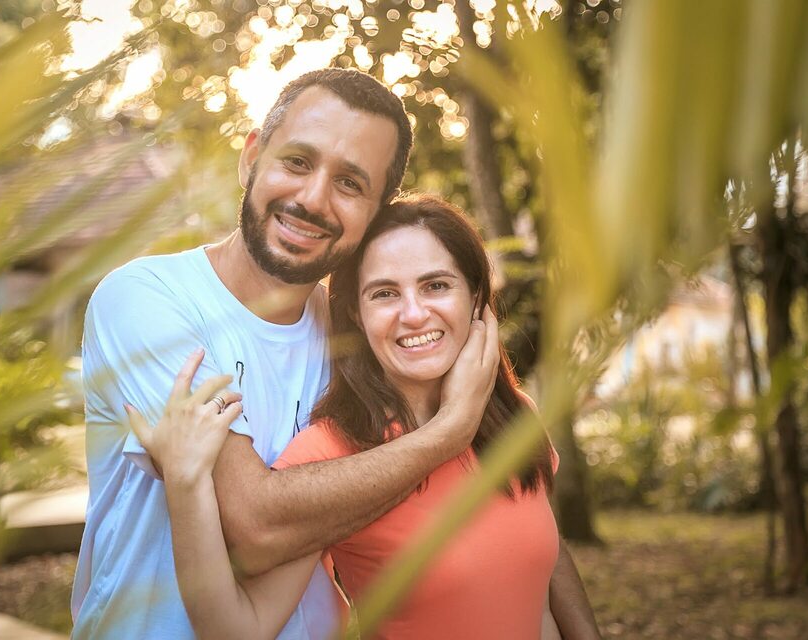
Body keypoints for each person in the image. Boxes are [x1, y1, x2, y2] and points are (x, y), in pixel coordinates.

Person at [71, 68, 509, 640]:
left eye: (349, 183)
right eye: (297, 162)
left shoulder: (358, 336)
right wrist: (449, 430)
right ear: (251, 157)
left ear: (374, 215)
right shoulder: (147, 300)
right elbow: (253, 527)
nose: (312, 199)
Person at [129, 193, 601, 639]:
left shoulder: (515, 415)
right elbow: (238, 628)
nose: (413, 314)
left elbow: (547, 560)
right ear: (355, 313)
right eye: (385, 294)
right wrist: (186, 482)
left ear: (476, 297)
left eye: (436, 285)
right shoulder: (329, 451)